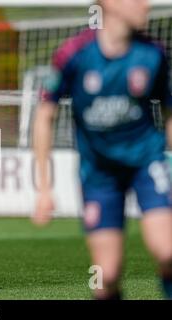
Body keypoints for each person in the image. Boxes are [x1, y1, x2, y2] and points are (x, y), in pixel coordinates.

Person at [33, 0, 172, 299]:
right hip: (99, 174)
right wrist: (44, 189)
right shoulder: (75, 55)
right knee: (106, 276)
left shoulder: (153, 53)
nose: (146, 5)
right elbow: (44, 116)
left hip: (147, 163)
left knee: (168, 252)